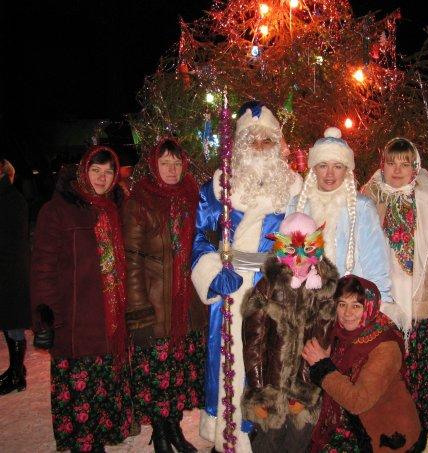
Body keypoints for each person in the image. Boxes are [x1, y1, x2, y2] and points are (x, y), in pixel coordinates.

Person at [191, 101, 303, 452]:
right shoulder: (216, 189)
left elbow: (304, 239)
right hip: (232, 288)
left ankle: (264, 436)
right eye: (251, 140)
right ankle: (228, 437)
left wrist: (293, 277)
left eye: (267, 140)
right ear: (239, 144)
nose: (259, 147)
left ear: (277, 144)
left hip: (274, 290)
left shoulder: (294, 188)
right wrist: (212, 273)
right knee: (230, 361)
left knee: (272, 363)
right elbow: (200, 237)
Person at [361, 138, 428, 443]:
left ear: (415, 168)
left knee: (418, 372)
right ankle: (387, 428)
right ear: (382, 165)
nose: (397, 170)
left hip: (421, 300)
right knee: (385, 370)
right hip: (382, 300)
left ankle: (419, 433)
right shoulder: (369, 199)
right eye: (391, 163)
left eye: (405, 164)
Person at [31, 146, 132, 452]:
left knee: (103, 392)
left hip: (109, 322)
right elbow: (43, 269)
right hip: (76, 323)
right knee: (81, 399)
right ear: (83, 171)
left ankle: (97, 441)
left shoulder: (114, 209)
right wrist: (45, 319)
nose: (102, 178)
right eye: (95, 170)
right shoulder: (57, 211)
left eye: (108, 172)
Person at [122, 137, 204, 453]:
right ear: (154, 166)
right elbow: (131, 261)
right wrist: (139, 308)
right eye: (165, 163)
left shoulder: (192, 197)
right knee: (158, 376)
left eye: (177, 163)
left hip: (186, 307)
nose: (172, 169)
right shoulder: (140, 201)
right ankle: (160, 432)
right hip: (156, 306)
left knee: (177, 375)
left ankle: (174, 428)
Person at [241, 212, 339, 452]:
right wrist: (259, 390)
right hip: (270, 386)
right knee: (268, 443)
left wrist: (304, 390)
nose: (299, 258)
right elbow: (253, 342)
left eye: (307, 249)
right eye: (291, 250)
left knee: (298, 441)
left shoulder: (324, 290)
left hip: (305, 386)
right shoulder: (267, 287)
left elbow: (322, 341)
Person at [302, 275, 422, 452]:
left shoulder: (384, 346)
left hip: (385, 433)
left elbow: (357, 402)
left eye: (356, 306)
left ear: (369, 308)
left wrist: (323, 366)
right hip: (353, 419)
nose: (347, 313)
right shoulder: (341, 332)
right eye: (342, 304)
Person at [288, 127, 392, 303]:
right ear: (314, 169)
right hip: (306, 302)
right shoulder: (298, 205)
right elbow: (285, 257)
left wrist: (380, 301)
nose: (330, 174)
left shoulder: (361, 207)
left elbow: (376, 261)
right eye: (323, 166)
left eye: (337, 166)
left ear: (346, 170)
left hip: (348, 305)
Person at [0, 156, 30, 395]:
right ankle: (15, 368)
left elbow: (13, 238)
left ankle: (17, 375)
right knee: (8, 323)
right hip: (8, 268)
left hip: (10, 269)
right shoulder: (7, 196)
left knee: (13, 325)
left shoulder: (11, 198)